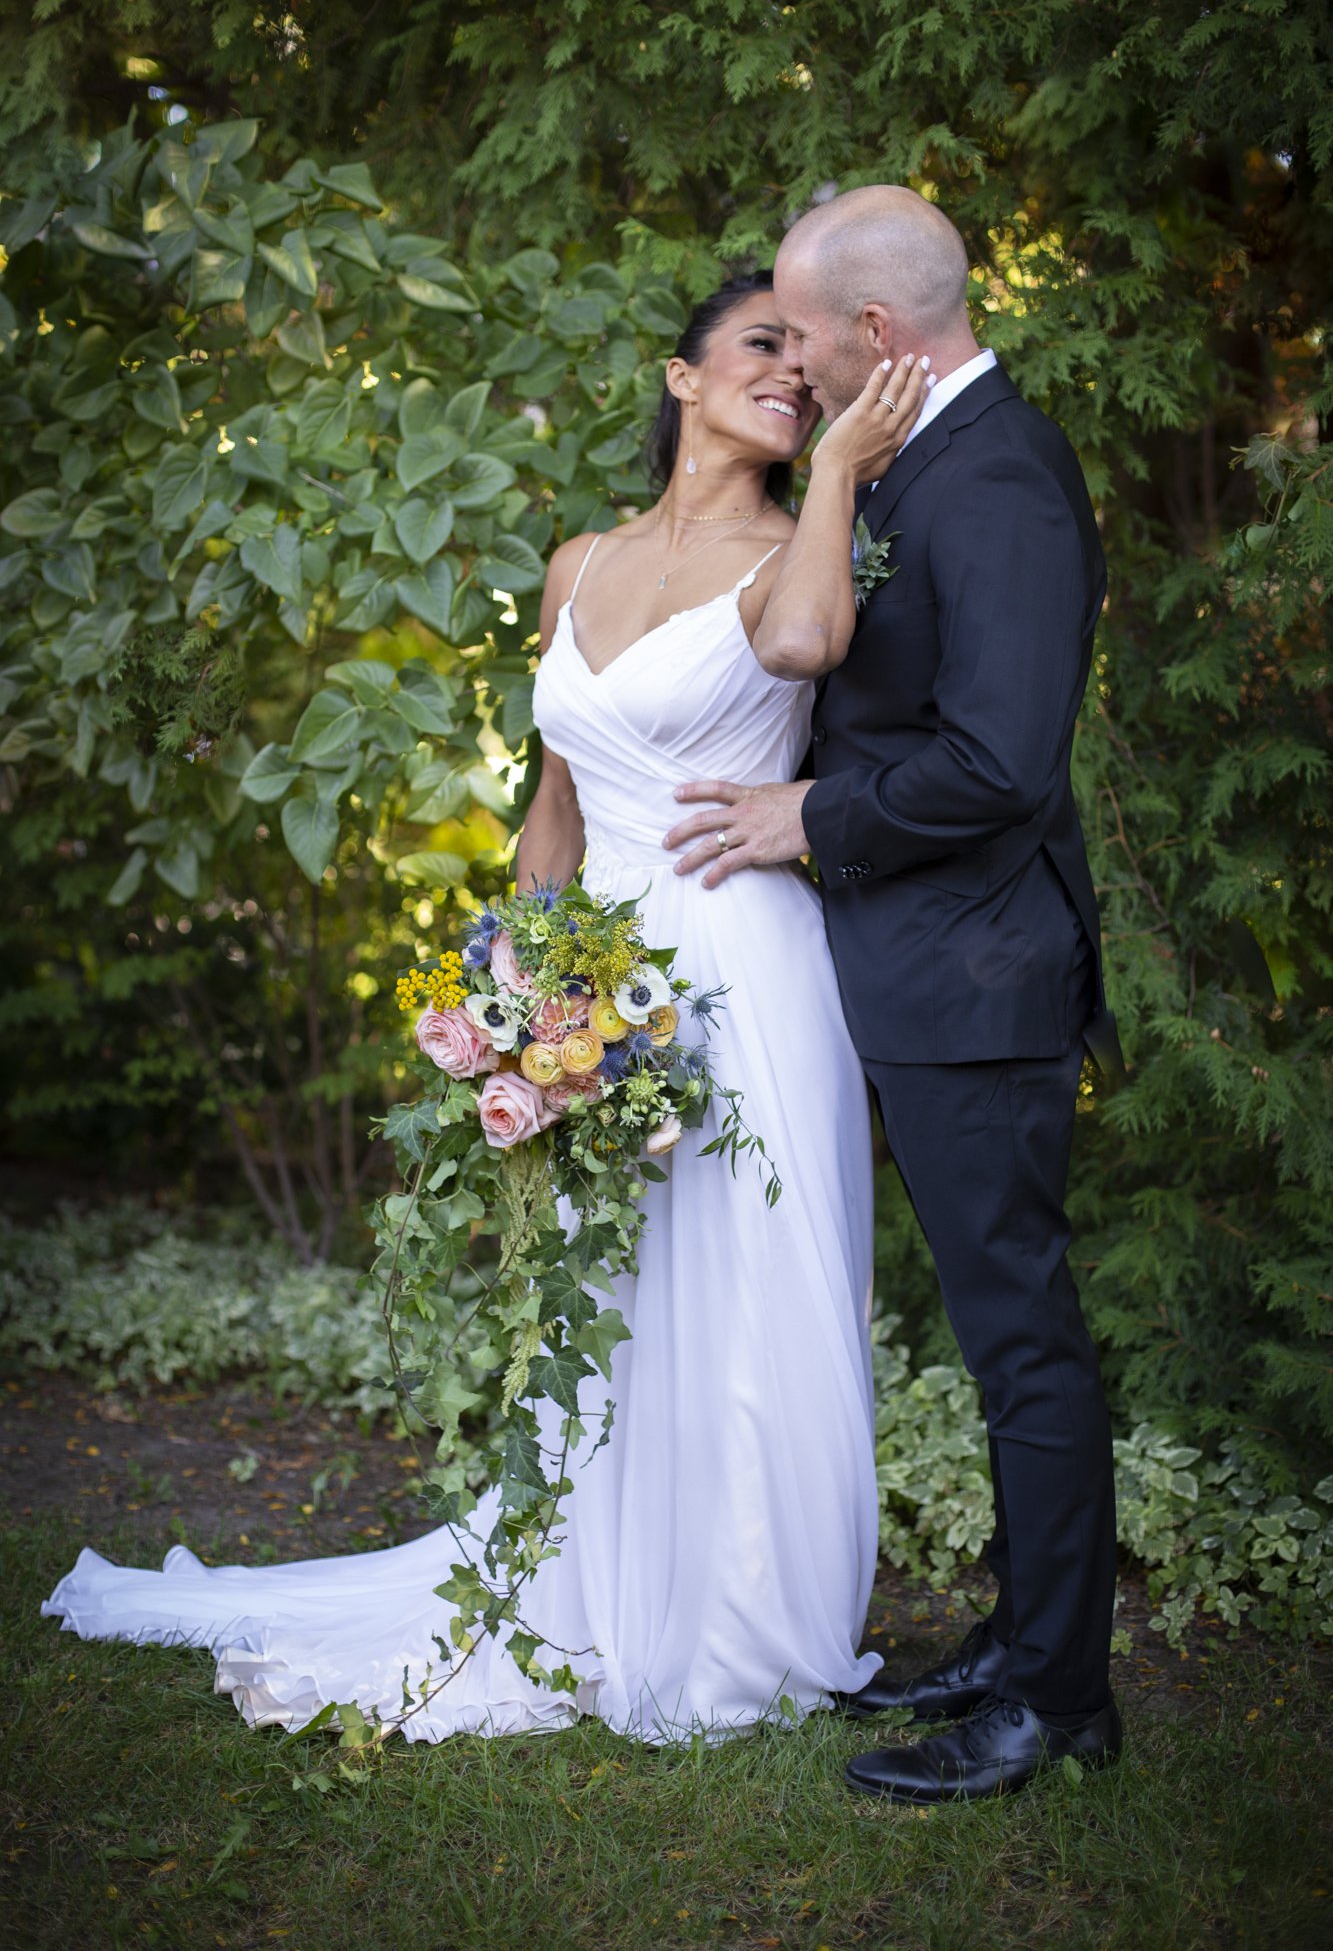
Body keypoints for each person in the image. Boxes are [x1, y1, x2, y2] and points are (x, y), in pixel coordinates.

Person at [41, 274, 930, 1748]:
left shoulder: (797, 545)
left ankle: (746, 1619)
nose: (792, 368)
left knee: (754, 1278)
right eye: (760, 346)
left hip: (742, 958)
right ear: (680, 375)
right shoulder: (579, 561)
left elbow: (803, 653)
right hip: (594, 965)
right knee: (609, 1290)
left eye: (808, 357)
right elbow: (554, 803)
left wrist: (838, 469)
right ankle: (594, 1586)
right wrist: (514, 983)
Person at [667, 188, 1123, 1802]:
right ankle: (1022, 1645)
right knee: (1007, 1334)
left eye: (799, 332)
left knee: (1023, 1343)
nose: (788, 362)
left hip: (977, 977)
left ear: (877, 336)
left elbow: (1001, 761)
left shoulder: (991, 477)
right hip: (924, 974)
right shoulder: (923, 460)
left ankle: (1057, 1701)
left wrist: (814, 818)